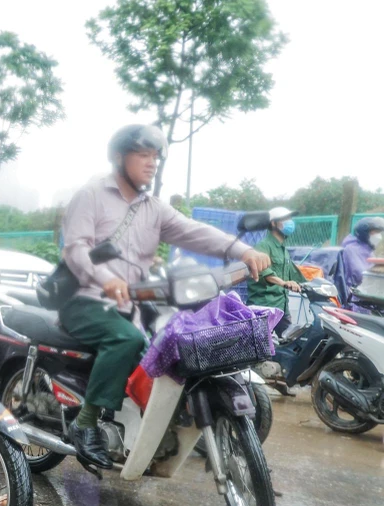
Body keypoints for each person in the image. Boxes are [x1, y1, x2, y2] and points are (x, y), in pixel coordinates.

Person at [59, 124, 271, 470]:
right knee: (125, 339)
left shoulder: (154, 209)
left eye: (155, 157)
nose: (151, 163)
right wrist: (107, 278)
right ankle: (85, 423)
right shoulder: (92, 195)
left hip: (130, 305)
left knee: (167, 353)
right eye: (143, 154)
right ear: (119, 157)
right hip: (85, 300)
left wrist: (242, 250)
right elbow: (76, 249)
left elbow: (194, 232)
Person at [246, 207, 306, 336]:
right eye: (286, 219)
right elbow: (265, 272)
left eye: (290, 219)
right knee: (263, 348)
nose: (290, 222)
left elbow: (294, 274)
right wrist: (285, 283)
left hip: (282, 307)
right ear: (273, 223)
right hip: (265, 307)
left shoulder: (283, 249)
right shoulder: (263, 246)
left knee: (290, 341)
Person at [339, 216, 384, 310]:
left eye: (379, 232)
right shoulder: (351, 249)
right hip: (356, 300)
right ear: (364, 233)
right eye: (374, 232)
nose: (378, 236)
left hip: (368, 295)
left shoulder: (368, 250)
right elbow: (360, 275)